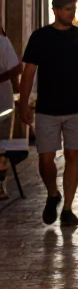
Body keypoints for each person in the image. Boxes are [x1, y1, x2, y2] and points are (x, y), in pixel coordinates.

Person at [17, 0, 78, 227]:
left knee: (73, 155)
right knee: (46, 158)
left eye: (74, 9)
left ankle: (68, 208)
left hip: (76, 107)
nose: (71, 13)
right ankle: (53, 193)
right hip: (47, 108)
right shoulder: (40, 37)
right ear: (54, 10)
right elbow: (28, 72)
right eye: (67, 9)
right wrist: (23, 103)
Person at [0, 28, 22, 200]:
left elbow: (17, 67)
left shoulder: (2, 41)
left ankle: (0, 184)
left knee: (2, 144)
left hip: (2, 100)